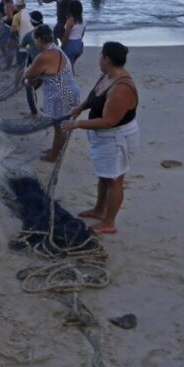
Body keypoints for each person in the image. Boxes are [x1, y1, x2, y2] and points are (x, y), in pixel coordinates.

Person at [61, 42, 139, 235]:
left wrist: (77, 124)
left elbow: (108, 121)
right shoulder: (107, 75)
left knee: (114, 179)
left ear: (107, 59)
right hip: (104, 137)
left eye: (101, 56)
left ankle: (109, 222)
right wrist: (80, 108)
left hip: (116, 137)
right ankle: (99, 210)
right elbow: (95, 97)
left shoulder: (121, 88)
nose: (99, 59)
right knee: (104, 175)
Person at [24, 24, 80, 163]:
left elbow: (27, 74)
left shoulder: (44, 56)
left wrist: (30, 79)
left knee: (60, 127)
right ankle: (55, 150)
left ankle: (53, 156)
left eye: (35, 41)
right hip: (68, 89)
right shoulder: (56, 48)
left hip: (60, 94)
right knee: (60, 126)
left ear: (39, 40)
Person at [19, 11, 44, 115]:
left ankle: (34, 111)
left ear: (32, 22)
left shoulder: (30, 34)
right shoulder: (49, 32)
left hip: (37, 66)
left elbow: (21, 45)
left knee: (29, 86)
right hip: (52, 64)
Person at [61, 0, 86, 65]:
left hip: (71, 45)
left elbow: (66, 35)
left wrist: (62, 46)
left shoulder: (71, 21)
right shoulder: (83, 20)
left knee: (68, 66)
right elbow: (82, 33)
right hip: (79, 45)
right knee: (71, 65)